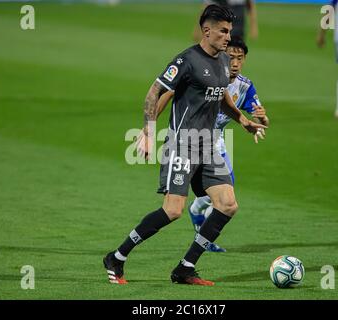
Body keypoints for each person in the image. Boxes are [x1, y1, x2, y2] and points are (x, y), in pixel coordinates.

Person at [103, 5, 266, 286]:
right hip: (183, 143)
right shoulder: (187, 60)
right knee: (173, 210)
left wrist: (243, 119)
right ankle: (117, 256)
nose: (229, 37)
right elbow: (155, 92)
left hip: (208, 145)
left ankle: (185, 268)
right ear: (207, 30)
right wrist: (148, 130)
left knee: (227, 204)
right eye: (223, 31)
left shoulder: (223, 61)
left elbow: (222, 96)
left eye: (230, 31)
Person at [156, 36, 269, 253]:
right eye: (231, 57)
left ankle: (198, 224)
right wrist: (149, 128)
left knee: (225, 198)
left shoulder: (244, 86)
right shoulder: (206, 72)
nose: (235, 63)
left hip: (215, 142)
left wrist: (261, 119)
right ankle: (199, 234)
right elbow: (167, 92)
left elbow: (261, 118)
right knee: (181, 205)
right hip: (187, 139)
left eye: (240, 58)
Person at [193, 0, 258, 42]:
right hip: (222, 27)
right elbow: (205, 9)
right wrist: (199, 29)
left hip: (239, 28)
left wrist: (253, 27)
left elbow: (250, 6)